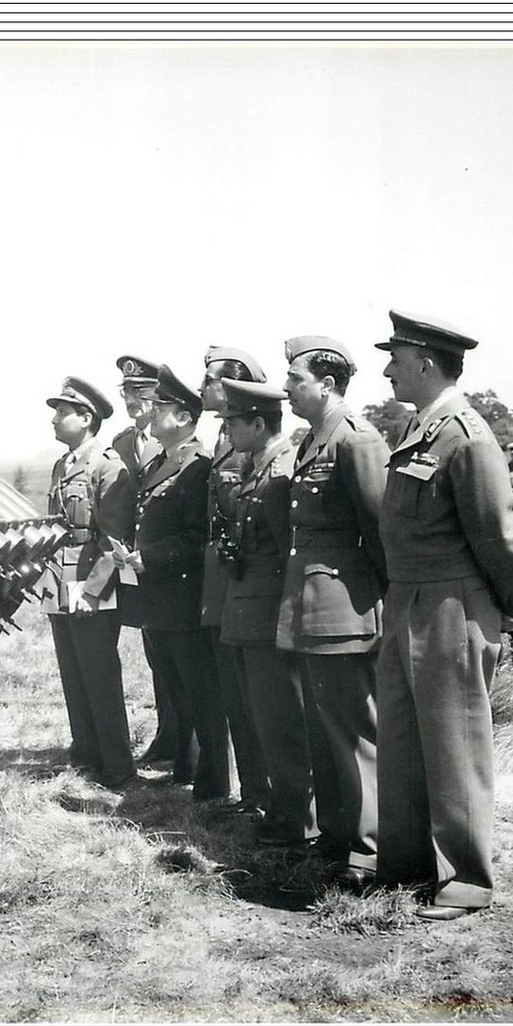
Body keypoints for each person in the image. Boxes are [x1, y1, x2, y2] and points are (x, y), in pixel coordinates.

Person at [373, 309, 513, 919]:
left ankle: (467, 877)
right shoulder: (421, 429)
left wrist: (511, 609)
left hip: (453, 606)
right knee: (406, 739)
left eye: (396, 359)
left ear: (425, 364)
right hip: (408, 600)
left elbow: (503, 540)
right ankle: (409, 865)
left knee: (454, 742)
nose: (388, 370)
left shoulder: (466, 436)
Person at [276, 336, 388, 884]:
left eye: (294, 379)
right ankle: (340, 836)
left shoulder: (356, 440)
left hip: (345, 608)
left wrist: (380, 608)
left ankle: (369, 849)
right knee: (326, 728)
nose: (286, 388)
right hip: (311, 607)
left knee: (355, 729)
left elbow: (380, 531)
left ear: (326, 384)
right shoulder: (312, 439)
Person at [116, 365, 231, 801]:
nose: (152, 412)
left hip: (183, 597)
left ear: (183, 416)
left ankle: (214, 780)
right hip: (159, 599)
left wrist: (149, 557)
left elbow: (197, 535)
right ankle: (187, 765)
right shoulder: (163, 462)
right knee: (176, 689)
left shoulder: (197, 465)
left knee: (200, 690)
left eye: (160, 406)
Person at [217, 376, 314, 852]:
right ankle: (283, 809)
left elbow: (288, 555)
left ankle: (298, 819)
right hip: (248, 616)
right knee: (265, 720)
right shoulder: (258, 466)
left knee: (282, 721)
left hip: (270, 618)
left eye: (233, 422)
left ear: (258, 423)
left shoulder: (280, 472)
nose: (227, 429)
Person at [40, 376, 137, 787]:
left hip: (91, 582)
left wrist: (94, 590)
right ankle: (86, 755)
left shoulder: (106, 466)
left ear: (86, 417)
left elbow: (114, 537)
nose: (54, 420)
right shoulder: (63, 465)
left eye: (62, 412)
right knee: (72, 672)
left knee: (98, 673)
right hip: (60, 580)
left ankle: (116, 766)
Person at [112, 355, 194, 779]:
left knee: (176, 660)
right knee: (154, 650)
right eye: (126, 392)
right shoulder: (123, 443)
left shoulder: (178, 447)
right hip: (136, 563)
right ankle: (167, 735)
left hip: (166, 567)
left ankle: (181, 739)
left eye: (141, 393)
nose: (133, 400)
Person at [198, 348, 270, 815]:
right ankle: (253, 791)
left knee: (258, 698)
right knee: (235, 698)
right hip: (222, 588)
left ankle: (267, 792)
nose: (201, 387)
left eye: (209, 379)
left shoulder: (253, 444)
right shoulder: (224, 441)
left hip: (247, 586)